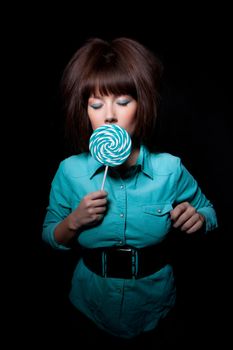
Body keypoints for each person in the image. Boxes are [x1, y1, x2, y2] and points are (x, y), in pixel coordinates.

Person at [42, 37, 218, 347]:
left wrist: (199, 219)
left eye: (123, 102)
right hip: (89, 308)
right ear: (85, 111)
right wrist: (75, 221)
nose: (109, 115)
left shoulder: (170, 169)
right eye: (96, 104)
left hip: (157, 310)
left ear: (142, 104)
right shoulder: (70, 171)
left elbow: (208, 211)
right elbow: (48, 234)